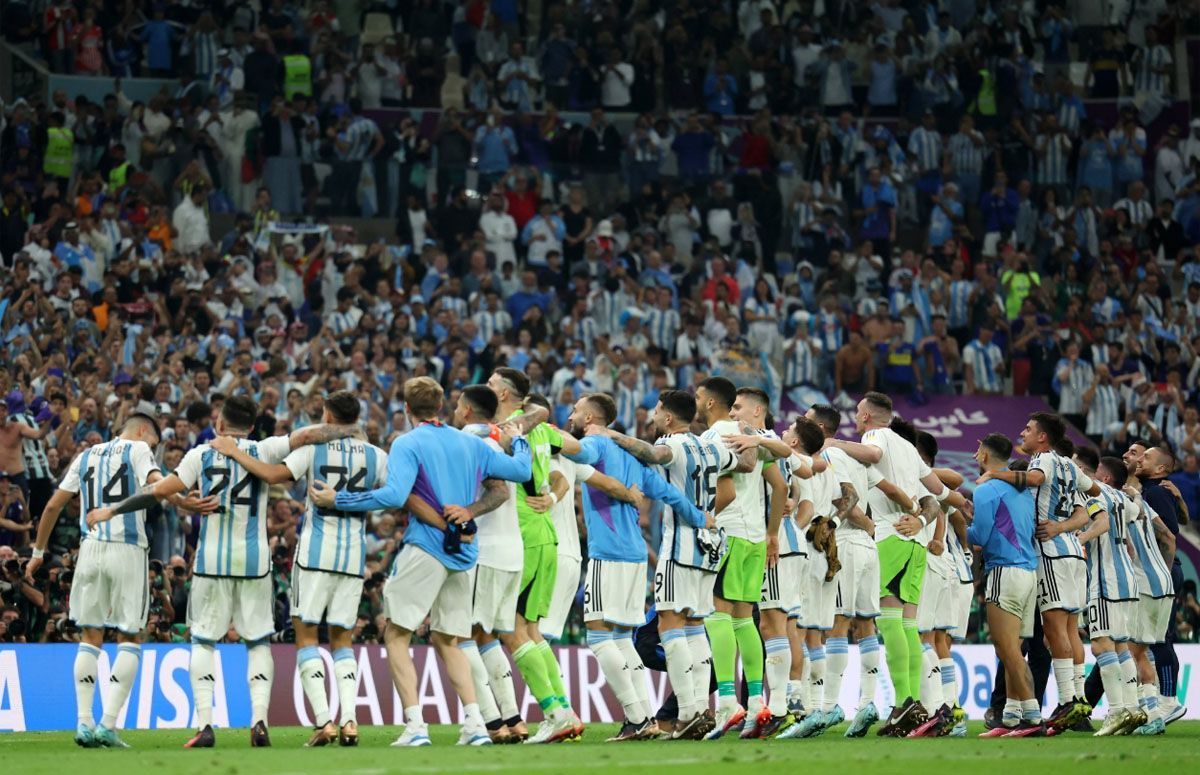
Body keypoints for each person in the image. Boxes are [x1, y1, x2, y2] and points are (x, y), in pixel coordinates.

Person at [84, 397, 360, 748]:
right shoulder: (265, 449)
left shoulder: (201, 454)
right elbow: (308, 435)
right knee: (257, 640)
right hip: (255, 563)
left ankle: (205, 724)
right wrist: (350, 428)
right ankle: (259, 721)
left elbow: (159, 491)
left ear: (219, 422)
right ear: (251, 425)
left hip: (212, 562)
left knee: (203, 640)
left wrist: (113, 510)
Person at [308, 377, 538, 747]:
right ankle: (476, 724)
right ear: (442, 406)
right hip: (462, 554)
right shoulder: (468, 441)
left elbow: (395, 494)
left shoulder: (407, 442)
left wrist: (340, 500)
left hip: (426, 548)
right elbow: (521, 472)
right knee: (450, 639)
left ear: (406, 410)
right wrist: (520, 438)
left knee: (396, 633)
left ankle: (416, 726)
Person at [194, 391, 386, 747]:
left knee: (307, 637)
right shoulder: (377, 456)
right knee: (343, 639)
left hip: (314, 555)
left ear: (327, 417)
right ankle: (350, 721)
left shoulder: (313, 450)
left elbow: (271, 475)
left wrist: (236, 452)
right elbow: (394, 495)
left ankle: (324, 722)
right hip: (353, 557)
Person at [25, 414, 212, 749]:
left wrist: (38, 551)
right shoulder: (138, 450)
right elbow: (158, 485)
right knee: (130, 635)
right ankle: (107, 725)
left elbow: (53, 505)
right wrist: (182, 500)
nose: (152, 450)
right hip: (127, 550)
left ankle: (84, 722)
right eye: (153, 443)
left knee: (90, 634)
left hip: (90, 549)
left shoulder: (86, 456)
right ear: (142, 431)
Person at [565, 391, 712, 742]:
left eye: (575, 410)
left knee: (599, 637)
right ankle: (644, 719)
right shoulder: (632, 458)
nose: (570, 414)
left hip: (608, 553)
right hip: (635, 556)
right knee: (622, 639)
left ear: (589, 420)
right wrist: (700, 518)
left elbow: (576, 452)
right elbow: (669, 494)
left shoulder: (597, 444)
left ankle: (635, 717)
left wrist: (543, 433)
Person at [595, 389, 741, 739]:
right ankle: (700, 712)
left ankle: (690, 711)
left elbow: (653, 453)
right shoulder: (713, 446)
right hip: (710, 547)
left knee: (670, 623)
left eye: (658, 411)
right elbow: (745, 464)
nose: (655, 415)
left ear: (669, 418)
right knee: (694, 625)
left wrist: (611, 433)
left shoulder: (673, 444)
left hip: (680, 546)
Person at [821, 392, 949, 736]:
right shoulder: (909, 448)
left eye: (859, 413)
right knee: (907, 625)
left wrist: (833, 441)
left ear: (866, 417)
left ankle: (905, 703)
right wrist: (922, 522)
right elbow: (937, 492)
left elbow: (873, 454)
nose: (857, 418)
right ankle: (913, 704)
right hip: (916, 544)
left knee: (890, 624)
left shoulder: (875, 437)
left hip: (890, 536)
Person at [976, 412, 1100, 730]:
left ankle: (1069, 701)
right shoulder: (1071, 465)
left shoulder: (1042, 460)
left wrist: (995, 475)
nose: (1023, 433)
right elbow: (1093, 495)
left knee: (1055, 631)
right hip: (1074, 552)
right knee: (1071, 630)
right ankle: (1074, 702)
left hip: (1049, 554)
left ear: (1042, 437)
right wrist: (1065, 525)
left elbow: (1033, 481)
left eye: (1029, 429)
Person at [969, 432, 1043, 737]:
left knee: (1007, 649)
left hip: (1004, 572)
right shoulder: (1022, 490)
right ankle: (1011, 717)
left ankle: (1033, 717)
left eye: (977, 451)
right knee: (1015, 649)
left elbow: (981, 537)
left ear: (986, 456)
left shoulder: (986, 490)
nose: (975, 457)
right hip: (1029, 573)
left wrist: (960, 524)